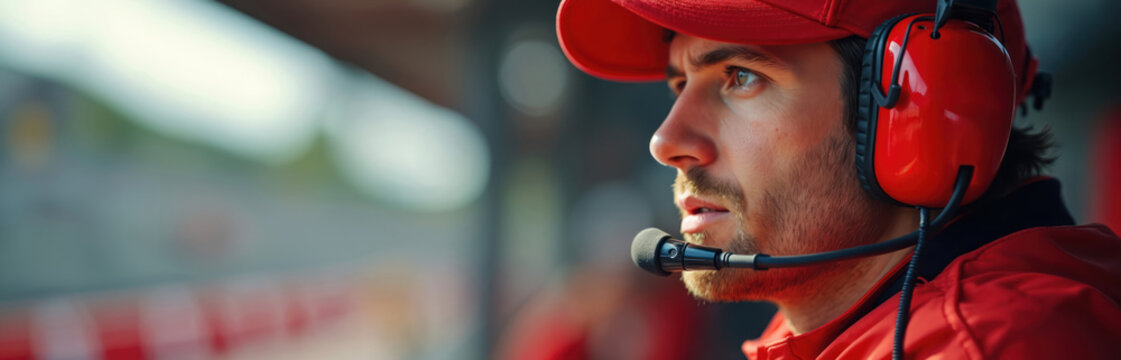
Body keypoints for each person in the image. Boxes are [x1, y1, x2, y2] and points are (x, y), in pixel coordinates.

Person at [555, 0, 1121, 358]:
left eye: (741, 76)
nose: (666, 141)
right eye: (681, 84)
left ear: (917, 110)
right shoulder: (832, 331)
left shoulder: (993, 344)